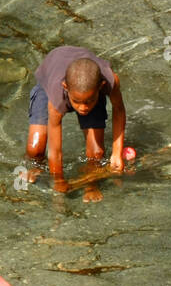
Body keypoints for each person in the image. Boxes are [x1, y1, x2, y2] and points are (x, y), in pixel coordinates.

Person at [25, 45, 128, 203]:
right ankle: (36, 167)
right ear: (65, 88)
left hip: (88, 84)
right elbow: (55, 150)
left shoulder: (109, 81)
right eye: (77, 102)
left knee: (96, 153)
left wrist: (117, 153)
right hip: (50, 81)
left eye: (88, 102)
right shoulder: (56, 96)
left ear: (101, 88)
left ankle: (91, 185)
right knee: (35, 149)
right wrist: (58, 180)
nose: (83, 108)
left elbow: (119, 109)